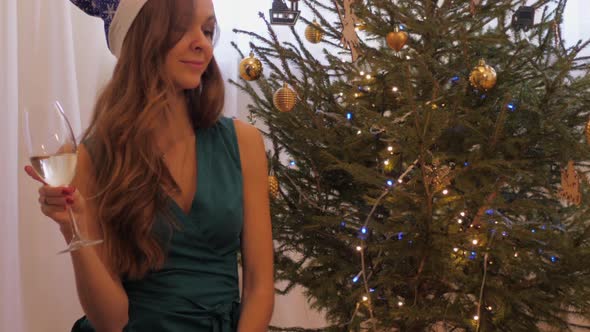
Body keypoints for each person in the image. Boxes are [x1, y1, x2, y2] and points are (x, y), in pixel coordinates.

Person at [23, 0, 274, 331]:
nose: (202, 42)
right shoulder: (90, 159)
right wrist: (74, 227)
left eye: (208, 30)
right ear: (141, 38)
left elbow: (259, 286)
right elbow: (111, 321)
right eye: (181, 28)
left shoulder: (244, 144)